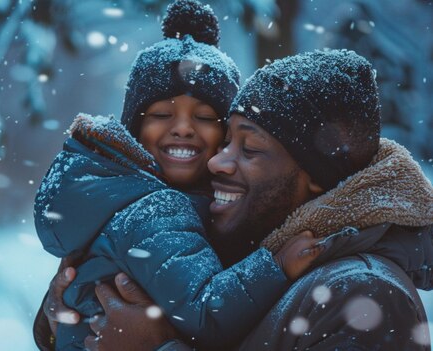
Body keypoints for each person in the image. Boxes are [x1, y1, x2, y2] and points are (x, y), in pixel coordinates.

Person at [39, 49, 433, 350]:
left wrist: (155, 344)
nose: (216, 161)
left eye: (250, 149)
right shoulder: (255, 252)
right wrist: (78, 304)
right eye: (227, 141)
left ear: (315, 177)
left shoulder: (363, 295)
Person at [33, 1, 322, 350]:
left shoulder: (141, 200)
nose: (183, 128)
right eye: (160, 114)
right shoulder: (156, 210)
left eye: (203, 117)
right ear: (134, 129)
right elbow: (208, 313)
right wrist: (275, 266)